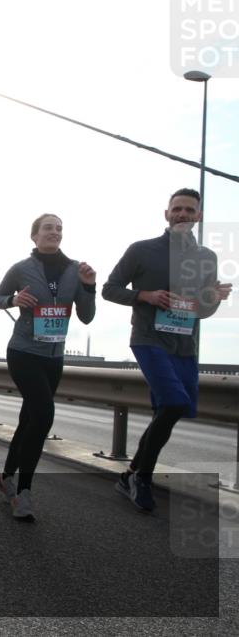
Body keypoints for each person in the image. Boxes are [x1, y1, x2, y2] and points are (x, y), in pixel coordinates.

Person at [103, 188, 231, 511]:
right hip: (148, 338)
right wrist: (144, 296)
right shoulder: (142, 250)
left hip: (184, 345)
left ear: (198, 217)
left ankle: (130, 474)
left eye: (190, 210)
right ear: (167, 214)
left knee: (171, 410)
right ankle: (142, 478)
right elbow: (109, 289)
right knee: (174, 402)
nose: (183, 215)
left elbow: (203, 311)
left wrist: (212, 299)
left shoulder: (206, 258)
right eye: (178, 209)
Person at [0, 215, 96, 521]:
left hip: (54, 357)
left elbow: (87, 317)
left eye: (59, 228)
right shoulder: (21, 268)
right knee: (44, 412)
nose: (55, 232)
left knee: (29, 419)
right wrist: (14, 299)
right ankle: (23, 492)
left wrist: (89, 287)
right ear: (34, 236)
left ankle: (5, 477)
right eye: (48, 228)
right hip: (23, 351)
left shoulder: (76, 270)